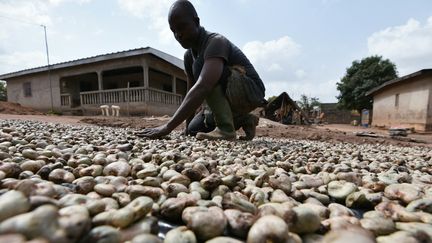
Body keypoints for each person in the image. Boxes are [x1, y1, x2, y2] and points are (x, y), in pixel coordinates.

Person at [136, 0, 266, 140]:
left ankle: (226, 129)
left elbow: (203, 86)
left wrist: (167, 126)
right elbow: (192, 91)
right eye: (174, 31)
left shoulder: (216, 42)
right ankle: (245, 119)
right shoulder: (189, 57)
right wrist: (186, 128)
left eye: (182, 27)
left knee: (209, 75)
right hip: (229, 95)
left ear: (196, 22)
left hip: (251, 91)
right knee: (194, 129)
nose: (178, 35)